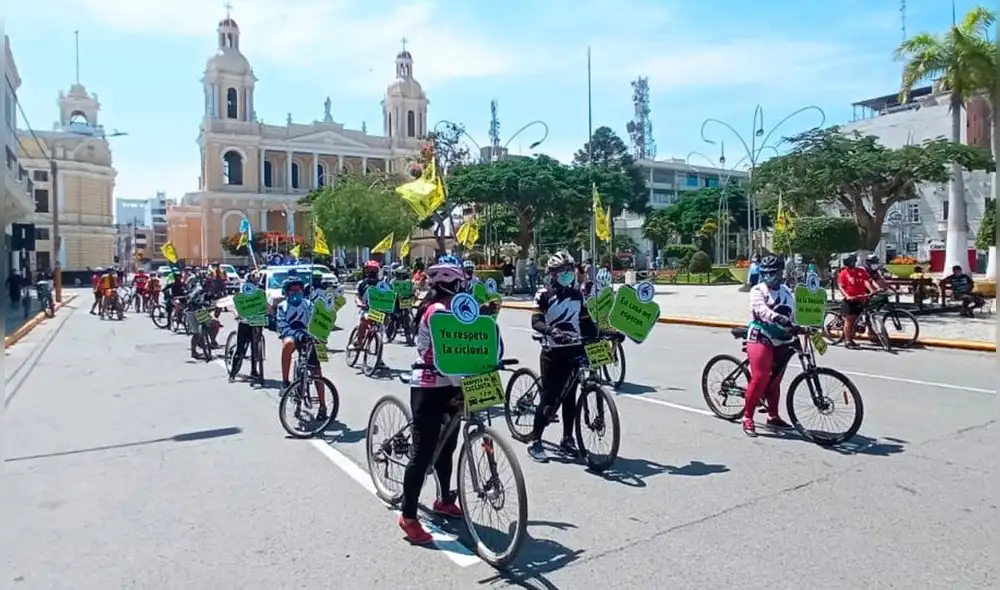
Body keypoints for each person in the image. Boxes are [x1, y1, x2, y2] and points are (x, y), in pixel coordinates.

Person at [397, 258, 468, 544]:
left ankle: (443, 499)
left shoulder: (458, 310)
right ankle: (408, 516)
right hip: (429, 385)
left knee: (449, 445)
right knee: (423, 452)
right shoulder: (436, 311)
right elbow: (444, 353)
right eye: (457, 283)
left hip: (451, 384)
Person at [527, 251, 599, 463]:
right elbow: (536, 321)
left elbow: (586, 322)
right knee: (549, 399)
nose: (567, 274)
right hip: (553, 351)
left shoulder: (577, 295)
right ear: (553, 274)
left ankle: (567, 438)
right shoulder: (544, 294)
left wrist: (605, 333)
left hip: (574, 349)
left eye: (570, 270)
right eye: (562, 271)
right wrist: (551, 331)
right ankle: (536, 441)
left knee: (570, 398)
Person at [741, 255, 796, 437]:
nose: (768, 277)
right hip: (761, 335)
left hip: (781, 337)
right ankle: (747, 416)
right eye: (765, 273)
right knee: (761, 377)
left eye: (773, 273)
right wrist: (776, 317)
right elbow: (760, 310)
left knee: (776, 379)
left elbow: (794, 312)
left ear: (781, 273)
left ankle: (773, 416)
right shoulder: (758, 290)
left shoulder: (787, 291)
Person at [276, 273, 329, 417]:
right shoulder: (282, 307)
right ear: (287, 292)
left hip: (308, 337)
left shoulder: (309, 304)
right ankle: (285, 381)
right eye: (292, 291)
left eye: (298, 290)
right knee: (287, 344)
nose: (295, 293)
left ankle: (323, 406)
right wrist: (298, 334)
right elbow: (282, 326)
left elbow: (316, 321)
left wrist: (320, 333)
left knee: (316, 371)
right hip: (292, 335)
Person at [837, 254, 875, 349]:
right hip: (850, 300)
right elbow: (841, 286)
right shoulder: (843, 273)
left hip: (860, 299)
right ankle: (847, 341)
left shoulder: (860, 271)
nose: (852, 263)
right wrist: (847, 296)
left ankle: (852, 338)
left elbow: (866, 281)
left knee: (855, 320)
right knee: (849, 320)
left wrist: (871, 290)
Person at [351, 260, 382, 349]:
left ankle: (379, 353)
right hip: (366, 309)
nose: (371, 272)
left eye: (374, 270)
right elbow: (357, 296)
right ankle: (359, 340)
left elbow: (388, 296)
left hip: (379, 310)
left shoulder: (382, 285)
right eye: (369, 270)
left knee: (383, 326)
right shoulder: (361, 284)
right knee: (364, 320)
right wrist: (360, 303)